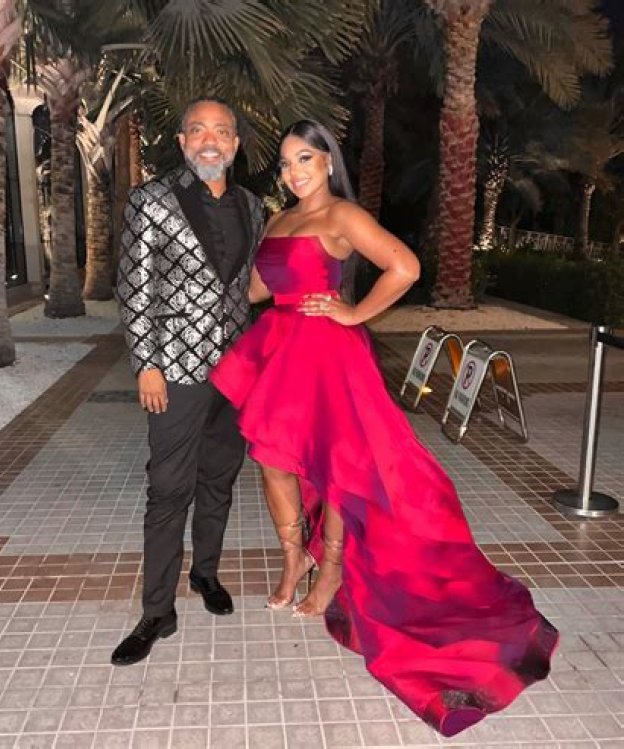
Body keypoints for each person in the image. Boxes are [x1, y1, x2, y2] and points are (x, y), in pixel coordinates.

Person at [209, 119, 558, 736]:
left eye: (305, 159)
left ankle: (332, 569)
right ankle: (295, 559)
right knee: (271, 459)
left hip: (326, 353)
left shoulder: (342, 215)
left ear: (328, 161)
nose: (294, 172)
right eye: (286, 163)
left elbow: (406, 266)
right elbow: (259, 289)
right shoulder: (278, 220)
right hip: (281, 348)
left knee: (337, 466)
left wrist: (353, 313)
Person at [112, 98, 265, 666]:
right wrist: (146, 363)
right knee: (169, 489)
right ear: (181, 142)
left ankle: (205, 573)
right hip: (174, 369)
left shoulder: (254, 206)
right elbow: (133, 287)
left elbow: (247, 286)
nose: (210, 140)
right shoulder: (151, 199)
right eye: (197, 130)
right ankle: (157, 611)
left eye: (221, 131)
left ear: (235, 144)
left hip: (235, 371)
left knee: (220, 478)